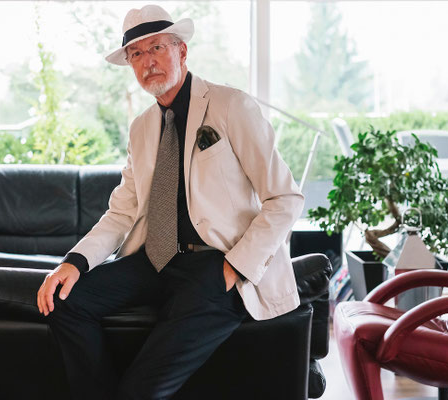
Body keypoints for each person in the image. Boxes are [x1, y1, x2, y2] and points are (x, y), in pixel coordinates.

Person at [36, 4, 304, 399]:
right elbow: (122, 211)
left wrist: (235, 267)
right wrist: (73, 262)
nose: (148, 62)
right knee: (64, 302)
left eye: (157, 48)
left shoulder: (232, 105)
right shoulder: (142, 128)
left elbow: (284, 198)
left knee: (140, 389)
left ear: (181, 51)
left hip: (216, 264)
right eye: (136, 54)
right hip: (155, 261)